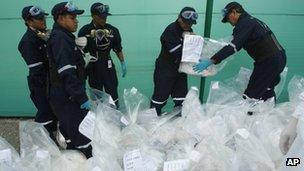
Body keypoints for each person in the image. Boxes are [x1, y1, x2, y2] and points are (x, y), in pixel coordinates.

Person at [193, 2, 286, 107]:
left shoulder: (244, 23)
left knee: (250, 96)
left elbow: (233, 47)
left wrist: (212, 60)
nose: (230, 23)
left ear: (234, 12)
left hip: (268, 61)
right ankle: (269, 117)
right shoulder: (254, 21)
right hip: (280, 57)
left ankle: (245, 120)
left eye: (228, 19)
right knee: (267, 90)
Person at [47, 1, 92, 158]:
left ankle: (73, 159)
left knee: (71, 132)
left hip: (67, 94)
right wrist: (81, 97)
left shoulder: (64, 36)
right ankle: (86, 161)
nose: (76, 21)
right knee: (80, 134)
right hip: (68, 96)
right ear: (60, 18)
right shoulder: (60, 39)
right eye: (72, 17)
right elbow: (67, 73)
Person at [18, 5, 57, 139]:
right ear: (29, 21)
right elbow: (38, 70)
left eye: (43, 17)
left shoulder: (43, 35)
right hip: (40, 83)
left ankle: (53, 143)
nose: (43, 20)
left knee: (54, 113)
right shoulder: (28, 41)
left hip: (50, 80)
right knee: (45, 115)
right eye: (39, 18)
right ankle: (43, 145)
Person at [150, 7, 198, 116]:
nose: (188, 25)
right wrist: (192, 47)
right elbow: (178, 53)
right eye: (186, 22)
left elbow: (189, 50)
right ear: (179, 18)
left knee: (181, 98)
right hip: (165, 69)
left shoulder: (188, 30)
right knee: (160, 98)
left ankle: (178, 124)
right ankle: (151, 122)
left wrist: (196, 45)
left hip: (180, 69)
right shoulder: (171, 30)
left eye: (191, 24)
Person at [78, 2, 127, 108]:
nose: (104, 19)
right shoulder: (84, 31)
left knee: (112, 90)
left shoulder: (112, 30)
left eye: (105, 16)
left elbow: (118, 49)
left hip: (107, 65)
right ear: (93, 16)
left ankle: (114, 116)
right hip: (93, 66)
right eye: (101, 17)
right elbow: (80, 52)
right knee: (96, 93)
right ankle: (100, 119)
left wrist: (122, 62)